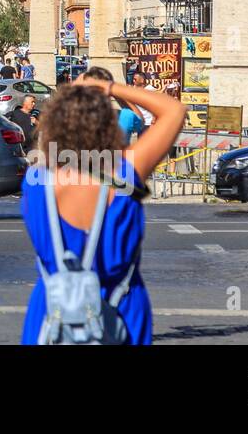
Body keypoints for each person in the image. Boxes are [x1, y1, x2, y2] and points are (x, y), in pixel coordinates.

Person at [20, 72, 186, 345]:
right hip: (122, 313)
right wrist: (108, 87)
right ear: (108, 124)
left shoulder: (35, 182)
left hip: (51, 316)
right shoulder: (124, 172)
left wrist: (67, 100)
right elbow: (173, 110)